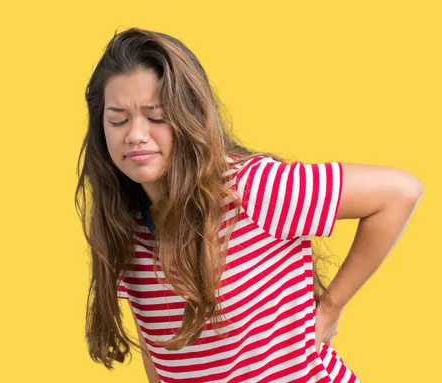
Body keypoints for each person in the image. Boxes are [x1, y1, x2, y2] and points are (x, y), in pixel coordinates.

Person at [74, 27, 423, 383]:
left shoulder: (250, 189)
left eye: (156, 116)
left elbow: (400, 192)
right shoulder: (122, 224)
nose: (135, 134)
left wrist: (331, 308)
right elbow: (160, 355)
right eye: (118, 119)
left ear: (189, 116)